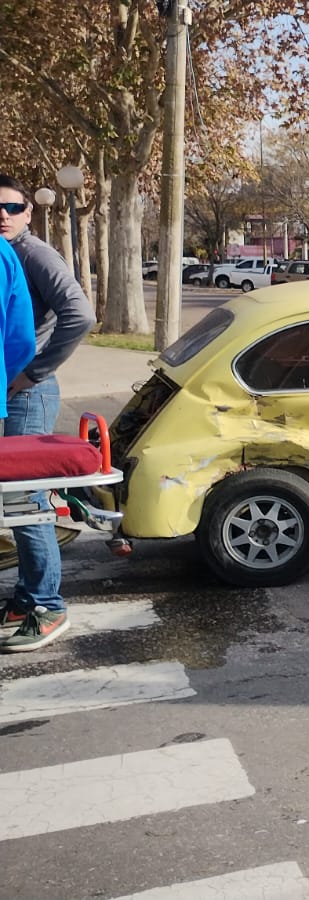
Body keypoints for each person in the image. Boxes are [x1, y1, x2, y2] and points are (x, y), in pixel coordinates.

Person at [0, 174, 92, 653]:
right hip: (10, 392)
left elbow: (80, 313)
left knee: (25, 501)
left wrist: (34, 372)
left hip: (28, 394)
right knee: (13, 502)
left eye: (12, 208)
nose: (3, 216)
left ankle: (47, 605)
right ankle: (25, 596)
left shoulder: (33, 253)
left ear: (27, 213)